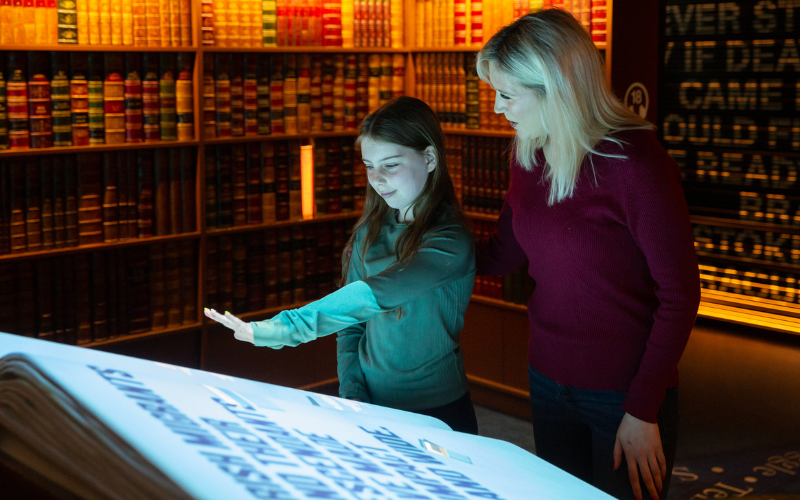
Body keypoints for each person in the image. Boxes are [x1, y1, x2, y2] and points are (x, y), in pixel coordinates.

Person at [473, 8, 700, 500]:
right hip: (548, 381)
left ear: (555, 87)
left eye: (507, 94)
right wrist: (421, 238)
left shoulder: (635, 162)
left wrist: (642, 409)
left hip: (624, 394)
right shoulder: (526, 154)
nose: (496, 107)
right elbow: (502, 255)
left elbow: (680, 296)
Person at [205, 96, 479, 434]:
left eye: (390, 165)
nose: (377, 179)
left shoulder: (451, 241)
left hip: (438, 412)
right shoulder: (369, 231)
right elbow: (351, 327)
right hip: (370, 407)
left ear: (430, 158)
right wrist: (353, 393)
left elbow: (368, 298)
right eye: (368, 165)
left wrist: (280, 329)